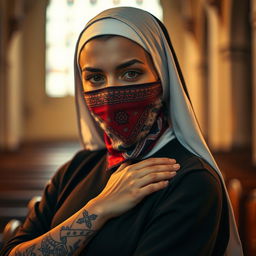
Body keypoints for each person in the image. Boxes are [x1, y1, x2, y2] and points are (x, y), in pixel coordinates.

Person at [1, 7, 243, 256]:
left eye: (130, 73)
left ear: (162, 75)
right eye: (95, 78)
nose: (110, 93)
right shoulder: (76, 168)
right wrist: (98, 209)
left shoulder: (191, 181)